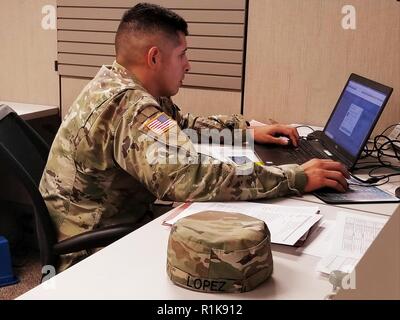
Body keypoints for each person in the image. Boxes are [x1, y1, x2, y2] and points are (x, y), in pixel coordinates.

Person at [39, 3, 349, 271]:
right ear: (155, 58)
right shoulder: (128, 106)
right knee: (233, 265)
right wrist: (295, 177)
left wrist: (246, 131)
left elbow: (182, 124)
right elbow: (188, 176)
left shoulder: (122, 82)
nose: (188, 64)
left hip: (107, 223)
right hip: (89, 251)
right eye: (182, 55)